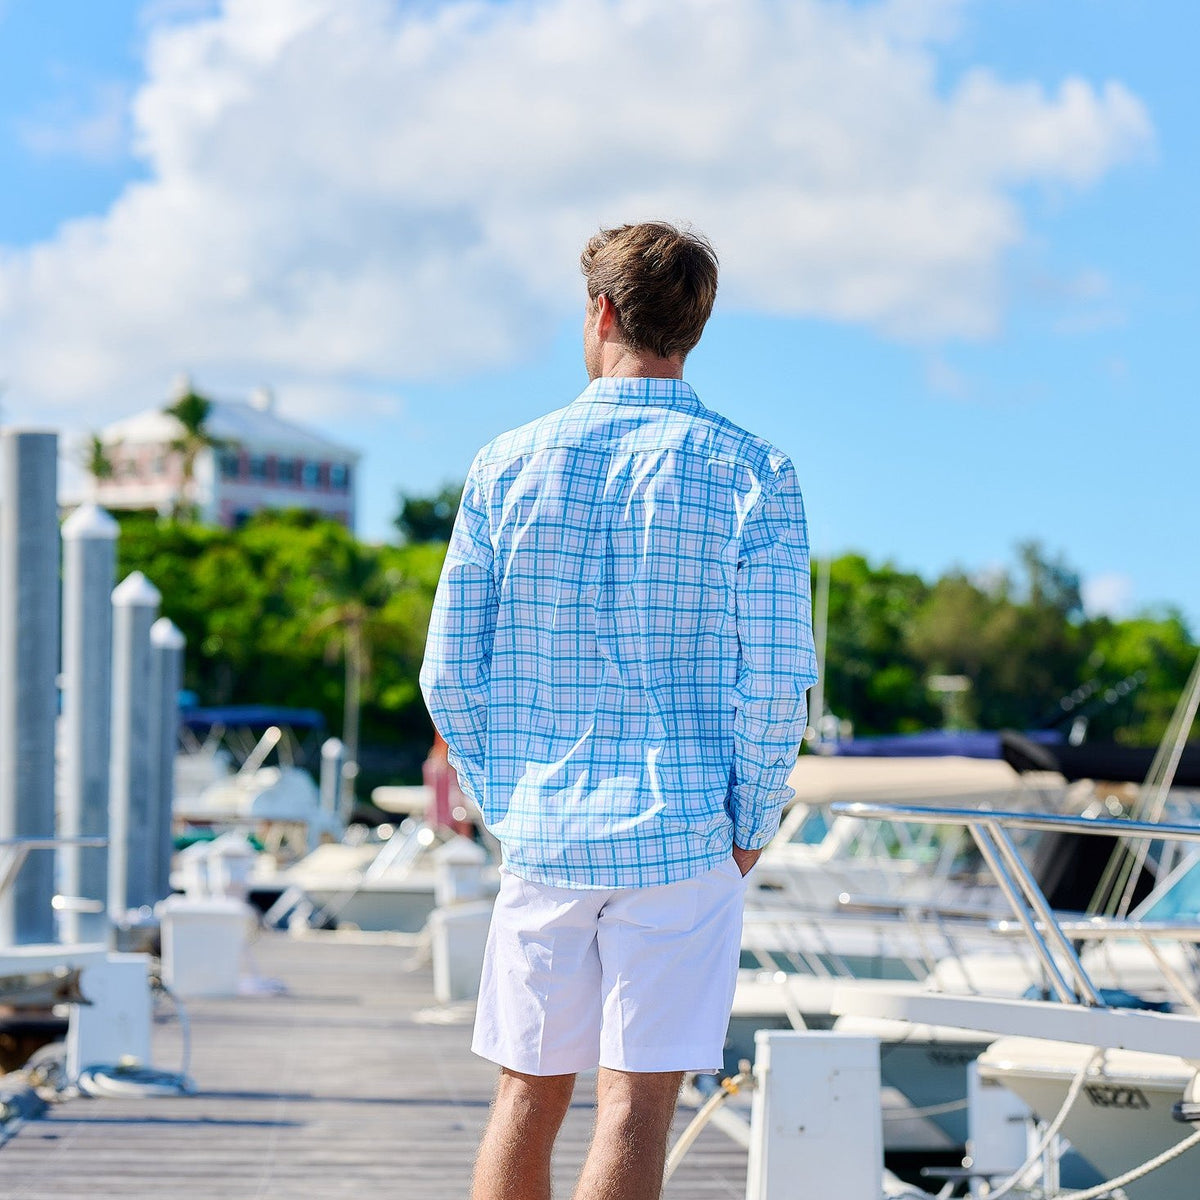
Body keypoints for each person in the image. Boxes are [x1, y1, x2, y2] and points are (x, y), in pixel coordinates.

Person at [420, 221, 817, 1200]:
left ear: (600, 312)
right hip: (685, 838)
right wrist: (750, 821)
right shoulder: (754, 473)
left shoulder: (503, 465)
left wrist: (512, 802)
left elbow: (447, 674)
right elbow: (774, 682)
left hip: (548, 833)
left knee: (525, 1096)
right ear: (696, 326)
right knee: (638, 1108)